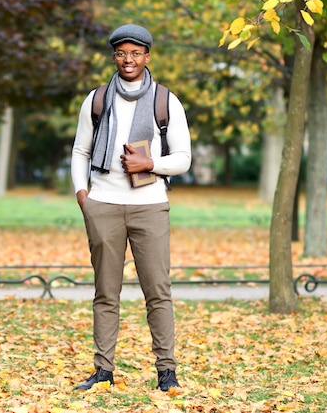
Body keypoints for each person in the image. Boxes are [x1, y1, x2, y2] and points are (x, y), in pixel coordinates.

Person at [71, 24, 192, 392]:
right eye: (122, 53)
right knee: (105, 293)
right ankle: (103, 372)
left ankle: (166, 372)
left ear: (147, 57)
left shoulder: (165, 100)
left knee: (158, 291)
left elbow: (184, 158)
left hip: (150, 207)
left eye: (135, 53)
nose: (129, 60)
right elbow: (81, 152)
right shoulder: (96, 99)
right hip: (103, 206)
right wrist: (82, 195)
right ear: (114, 57)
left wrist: (150, 164)